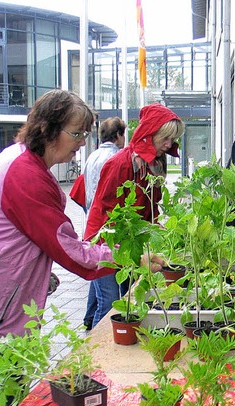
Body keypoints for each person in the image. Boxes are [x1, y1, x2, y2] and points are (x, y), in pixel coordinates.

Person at [0, 90, 115, 406]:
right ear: (47, 128)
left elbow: (23, 240)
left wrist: (37, 274)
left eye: (86, 134)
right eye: (76, 133)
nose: (81, 144)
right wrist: (127, 257)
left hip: (0, 306)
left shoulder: (26, 164)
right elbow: (71, 251)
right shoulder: (25, 174)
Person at [84, 103, 185, 329]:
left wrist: (155, 231)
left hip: (131, 242)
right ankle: (95, 354)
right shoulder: (120, 164)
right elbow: (105, 213)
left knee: (130, 297)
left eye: (172, 139)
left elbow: (151, 207)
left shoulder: (155, 163)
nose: (169, 145)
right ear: (150, 134)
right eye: (165, 138)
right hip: (106, 243)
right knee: (110, 302)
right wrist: (122, 251)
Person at [81, 117, 127, 330]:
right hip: (106, 233)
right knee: (109, 300)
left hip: (92, 225)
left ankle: (89, 320)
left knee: (97, 280)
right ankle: (96, 335)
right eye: (123, 134)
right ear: (119, 135)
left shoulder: (92, 156)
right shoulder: (116, 158)